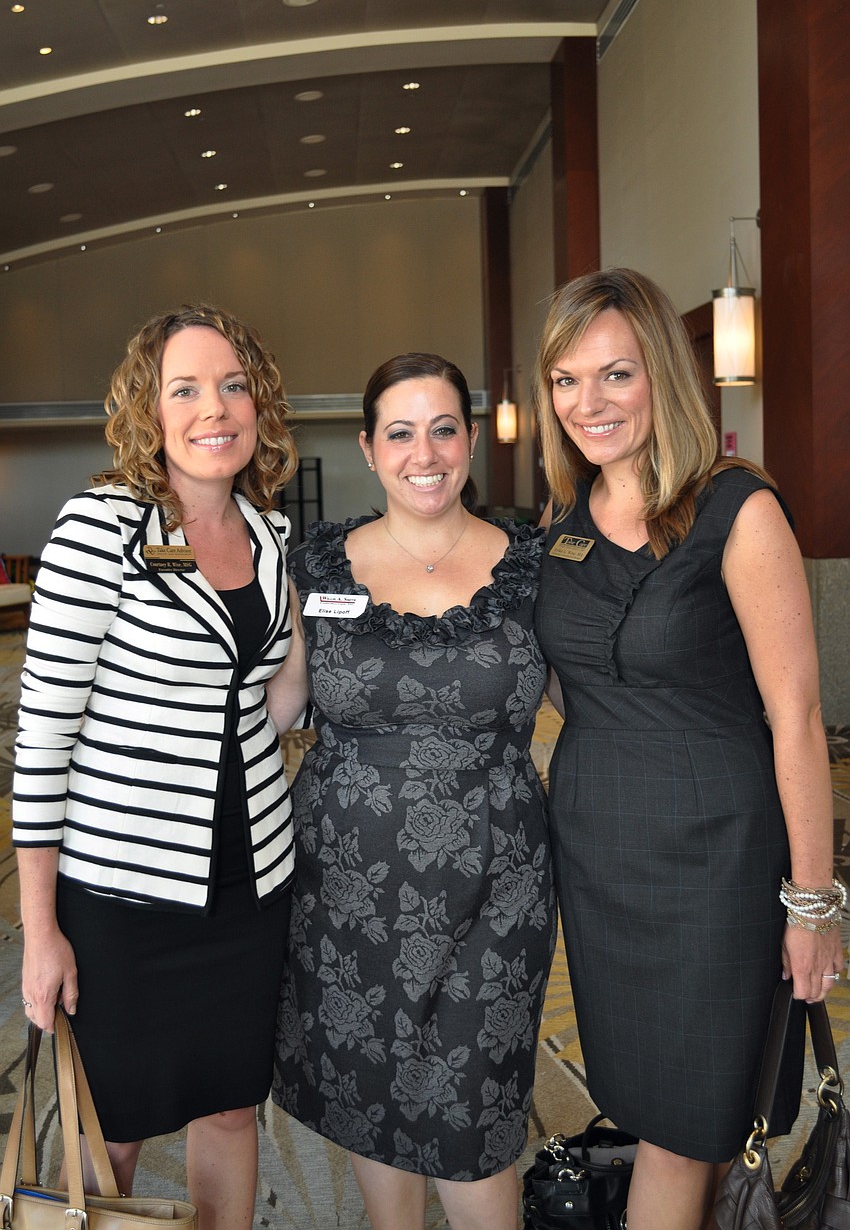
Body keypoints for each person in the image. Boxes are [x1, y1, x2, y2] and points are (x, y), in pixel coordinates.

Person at [532, 268, 843, 1230]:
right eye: (566, 380)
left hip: (714, 862)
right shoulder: (561, 525)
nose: (590, 403)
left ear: (662, 372)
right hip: (600, 863)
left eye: (615, 374)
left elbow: (795, 716)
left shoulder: (736, 510)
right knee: (642, 1102)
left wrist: (813, 903)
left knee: (693, 1121)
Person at [12, 303, 308, 1230]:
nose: (212, 406)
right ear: (149, 408)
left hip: (250, 882)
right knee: (118, 1127)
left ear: (258, 402)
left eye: (231, 383)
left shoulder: (267, 540)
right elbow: (43, 738)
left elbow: (273, 701)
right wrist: (39, 927)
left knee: (228, 1104)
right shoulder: (102, 529)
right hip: (124, 895)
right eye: (184, 387)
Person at [268, 353, 556, 1230]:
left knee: (476, 1126)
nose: (422, 451)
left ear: (470, 441)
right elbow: (272, 709)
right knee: (373, 1105)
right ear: (368, 446)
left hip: (496, 897)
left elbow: (603, 702)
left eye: (442, 428)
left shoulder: (537, 566)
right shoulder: (315, 566)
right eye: (400, 431)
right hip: (348, 893)